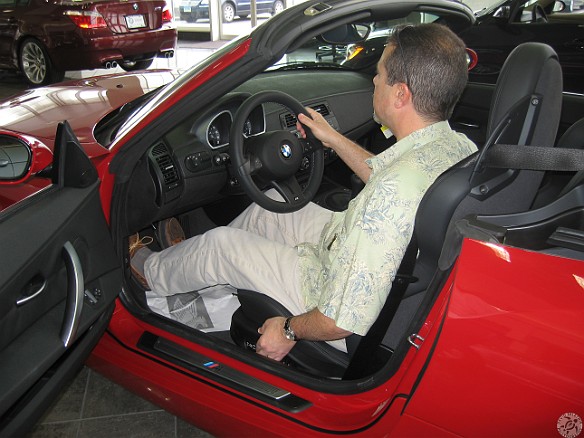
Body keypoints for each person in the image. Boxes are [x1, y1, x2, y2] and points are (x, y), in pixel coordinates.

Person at [130, 23, 477, 362]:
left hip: (328, 303)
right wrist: (332, 138)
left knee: (219, 245)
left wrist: (288, 330)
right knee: (277, 204)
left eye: (380, 72)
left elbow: (341, 319)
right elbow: (385, 174)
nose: (373, 79)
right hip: (356, 252)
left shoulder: (391, 192)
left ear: (401, 94)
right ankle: (195, 271)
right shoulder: (455, 146)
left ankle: (154, 272)